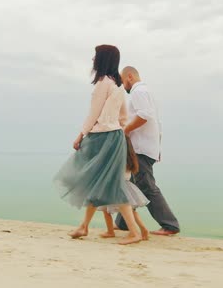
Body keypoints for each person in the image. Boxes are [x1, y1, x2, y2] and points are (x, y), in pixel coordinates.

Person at [53, 45, 143, 245]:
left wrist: (81, 135)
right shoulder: (118, 85)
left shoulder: (104, 83)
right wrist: (117, 132)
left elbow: (93, 113)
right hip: (115, 136)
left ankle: (134, 232)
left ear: (102, 59)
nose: (93, 59)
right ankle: (84, 226)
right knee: (97, 182)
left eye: (96, 56)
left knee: (104, 183)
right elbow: (123, 117)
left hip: (102, 137)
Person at [115, 66, 181, 236]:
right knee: (133, 184)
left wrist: (126, 130)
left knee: (146, 186)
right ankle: (123, 223)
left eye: (123, 81)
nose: (124, 86)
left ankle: (170, 225)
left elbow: (144, 116)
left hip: (141, 147)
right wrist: (157, 148)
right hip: (146, 146)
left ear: (129, 77)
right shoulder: (146, 92)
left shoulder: (139, 92)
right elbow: (157, 122)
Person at [98, 135, 150, 240]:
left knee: (105, 209)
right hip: (127, 185)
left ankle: (110, 231)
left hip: (115, 186)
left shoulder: (117, 157)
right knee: (132, 211)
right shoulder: (129, 157)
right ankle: (144, 230)